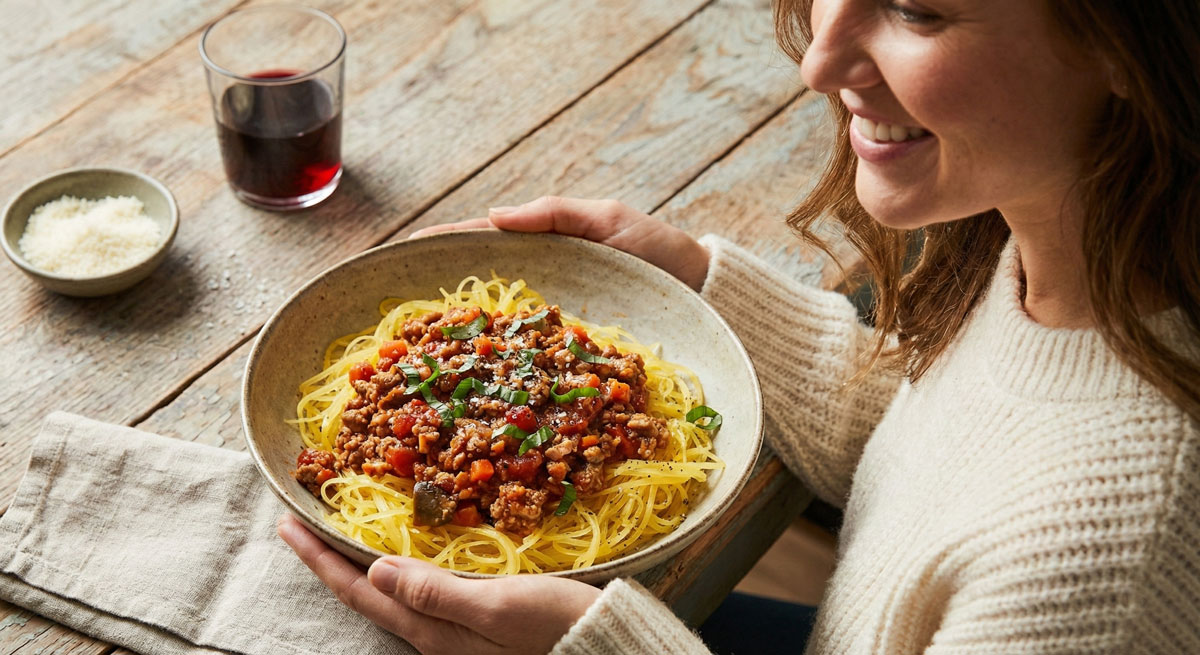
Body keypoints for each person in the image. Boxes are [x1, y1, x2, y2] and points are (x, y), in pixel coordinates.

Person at [277, 0, 1200, 652]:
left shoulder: (1105, 571)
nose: (817, 62)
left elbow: (1029, 521)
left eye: (917, 8)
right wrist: (700, 282)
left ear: (1134, 39)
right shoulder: (1072, 246)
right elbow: (957, 467)